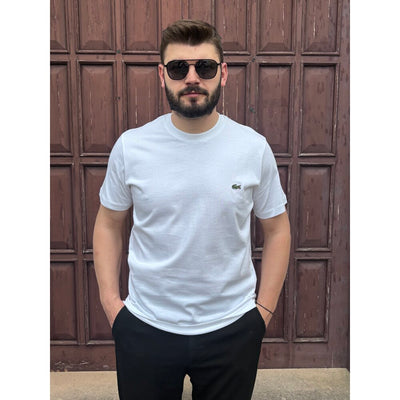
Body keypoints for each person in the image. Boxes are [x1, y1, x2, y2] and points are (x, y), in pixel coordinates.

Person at [93, 19, 291, 400]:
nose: (192, 78)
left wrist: (261, 315)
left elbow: (278, 229)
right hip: (146, 327)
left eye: (205, 67)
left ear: (223, 73)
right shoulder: (132, 147)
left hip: (232, 327)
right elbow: (108, 223)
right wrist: (112, 306)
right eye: (178, 68)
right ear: (161, 75)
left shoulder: (252, 148)